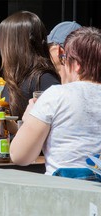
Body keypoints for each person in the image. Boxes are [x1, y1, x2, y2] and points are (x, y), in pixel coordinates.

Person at [10, 27, 101, 177]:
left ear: (76, 64)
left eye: (65, 59)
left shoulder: (56, 95)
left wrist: (29, 119)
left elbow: (20, 155)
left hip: (61, 192)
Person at [0, 11, 61, 152]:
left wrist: (17, 128)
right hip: (3, 160)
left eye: (3, 41)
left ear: (14, 45)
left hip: (23, 166)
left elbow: (48, 132)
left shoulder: (45, 80)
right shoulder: (16, 78)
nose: (0, 47)